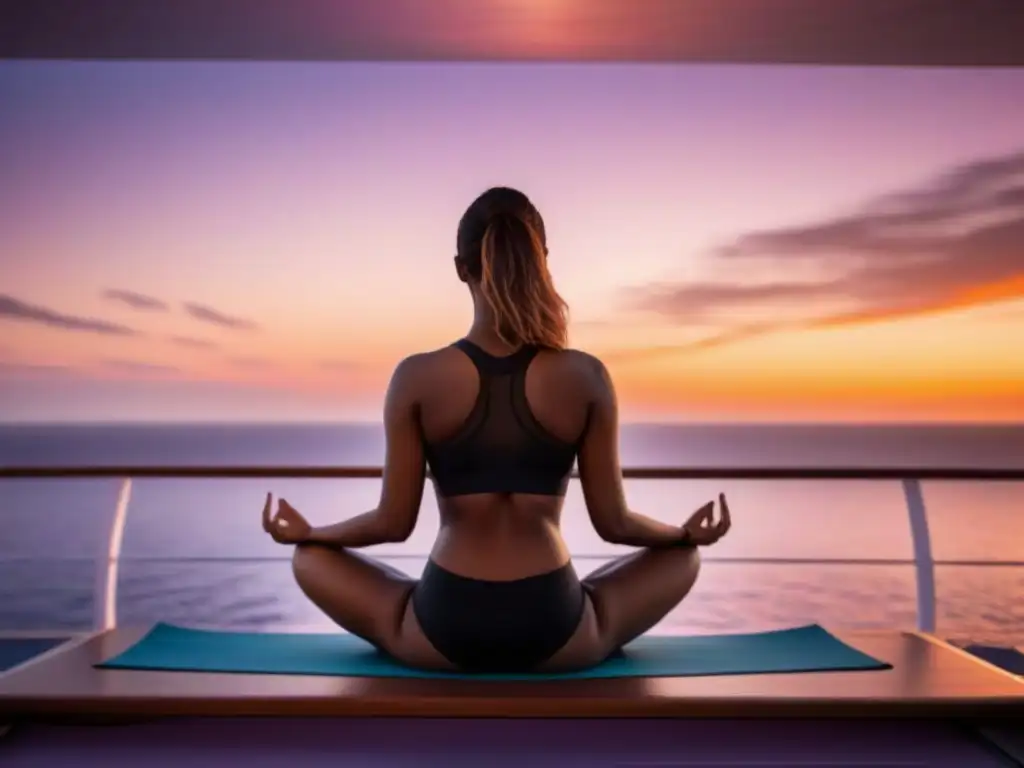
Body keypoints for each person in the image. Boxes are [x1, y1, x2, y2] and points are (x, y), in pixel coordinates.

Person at [261, 186, 732, 673]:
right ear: (543, 260)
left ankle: (396, 610)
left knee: (309, 559)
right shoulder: (586, 376)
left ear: (461, 268)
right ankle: (600, 612)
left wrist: (313, 533)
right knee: (683, 559)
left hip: (445, 625)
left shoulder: (417, 377)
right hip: (555, 625)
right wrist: (681, 534)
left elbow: (392, 524)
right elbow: (614, 524)